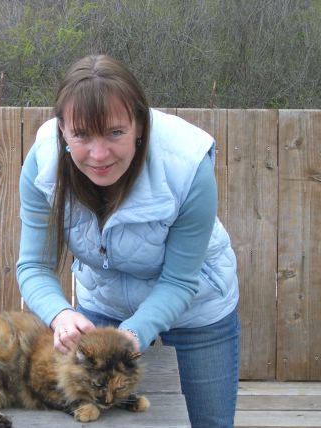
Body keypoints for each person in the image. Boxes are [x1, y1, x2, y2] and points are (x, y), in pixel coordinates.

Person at [16, 54, 240, 428]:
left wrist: (136, 332)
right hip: (103, 304)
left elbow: (179, 280)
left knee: (208, 422)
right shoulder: (43, 165)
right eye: (82, 135)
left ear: (139, 123)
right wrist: (61, 314)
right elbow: (34, 266)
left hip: (197, 307)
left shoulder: (187, 164)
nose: (99, 154)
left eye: (115, 133)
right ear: (62, 131)